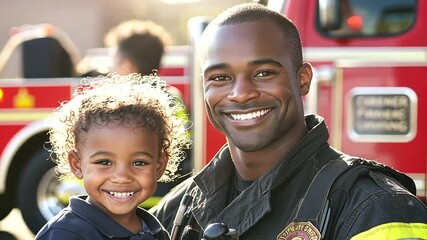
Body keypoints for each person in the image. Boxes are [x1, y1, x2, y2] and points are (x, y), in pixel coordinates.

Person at [149, 3, 427, 240]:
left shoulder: (377, 207)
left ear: (303, 79)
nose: (241, 94)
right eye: (220, 78)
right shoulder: (177, 208)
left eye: (264, 73)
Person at [35, 73, 191, 239]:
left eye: (139, 162)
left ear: (159, 165)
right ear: (76, 164)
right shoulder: (65, 234)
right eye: (104, 162)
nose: (122, 177)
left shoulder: (156, 231)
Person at [104, 20, 172, 76]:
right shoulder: (172, 92)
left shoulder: (110, 92)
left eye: (114, 60)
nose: (110, 70)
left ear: (127, 66)